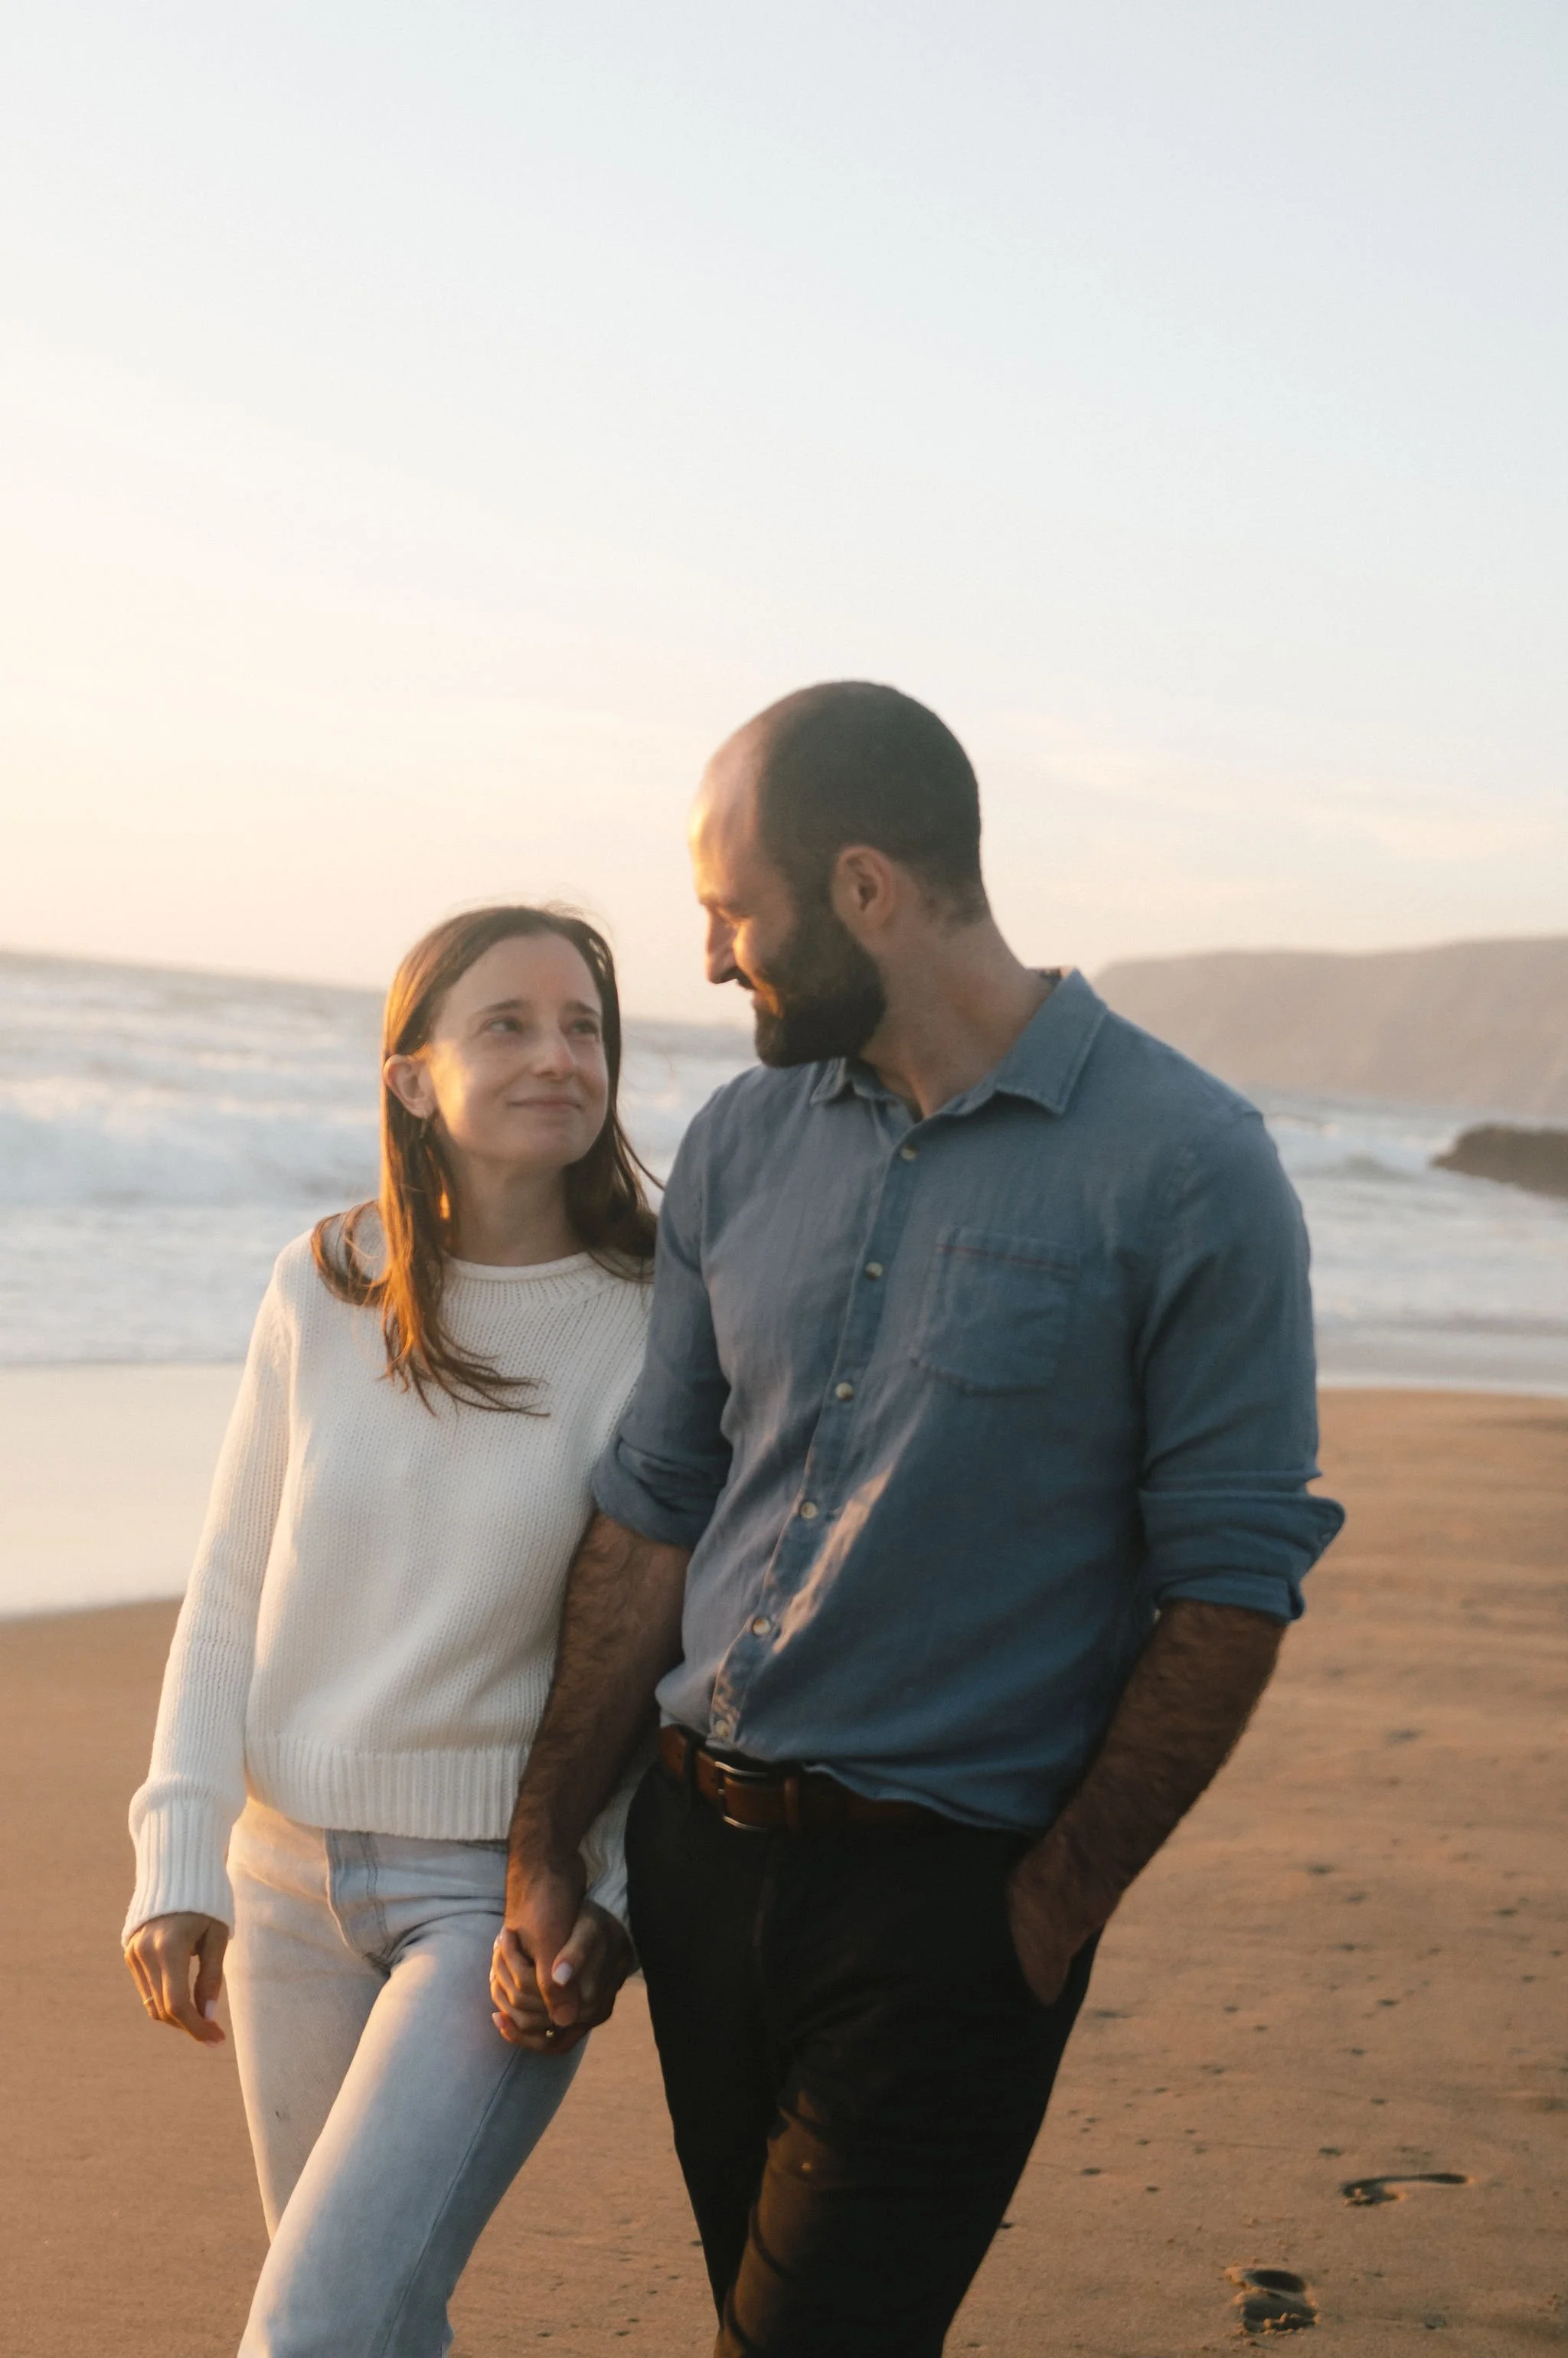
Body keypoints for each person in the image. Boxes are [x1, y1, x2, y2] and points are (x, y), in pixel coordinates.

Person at [492, 684, 1346, 2357]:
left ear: (865, 889)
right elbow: (657, 1508)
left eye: (733, 911)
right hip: (697, 1871)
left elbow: (1232, 1584)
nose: (712, 959)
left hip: (947, 1914)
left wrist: (1046, 1913)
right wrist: (548, 1844)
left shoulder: (1190, 1167)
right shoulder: (741, 1141)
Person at [122, 905, 654, 2358]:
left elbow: (661, 1643)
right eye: (510, 1025)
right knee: (376, 2322)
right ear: (413, 1078)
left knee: (313, 2325)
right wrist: (180, 1852)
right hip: (283, 1882)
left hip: (488, 1903)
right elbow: (230, 1583)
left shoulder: (659, 1316)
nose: (560, 1057)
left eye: (585, 1027)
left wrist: (603, 1884)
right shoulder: (321, 1280)